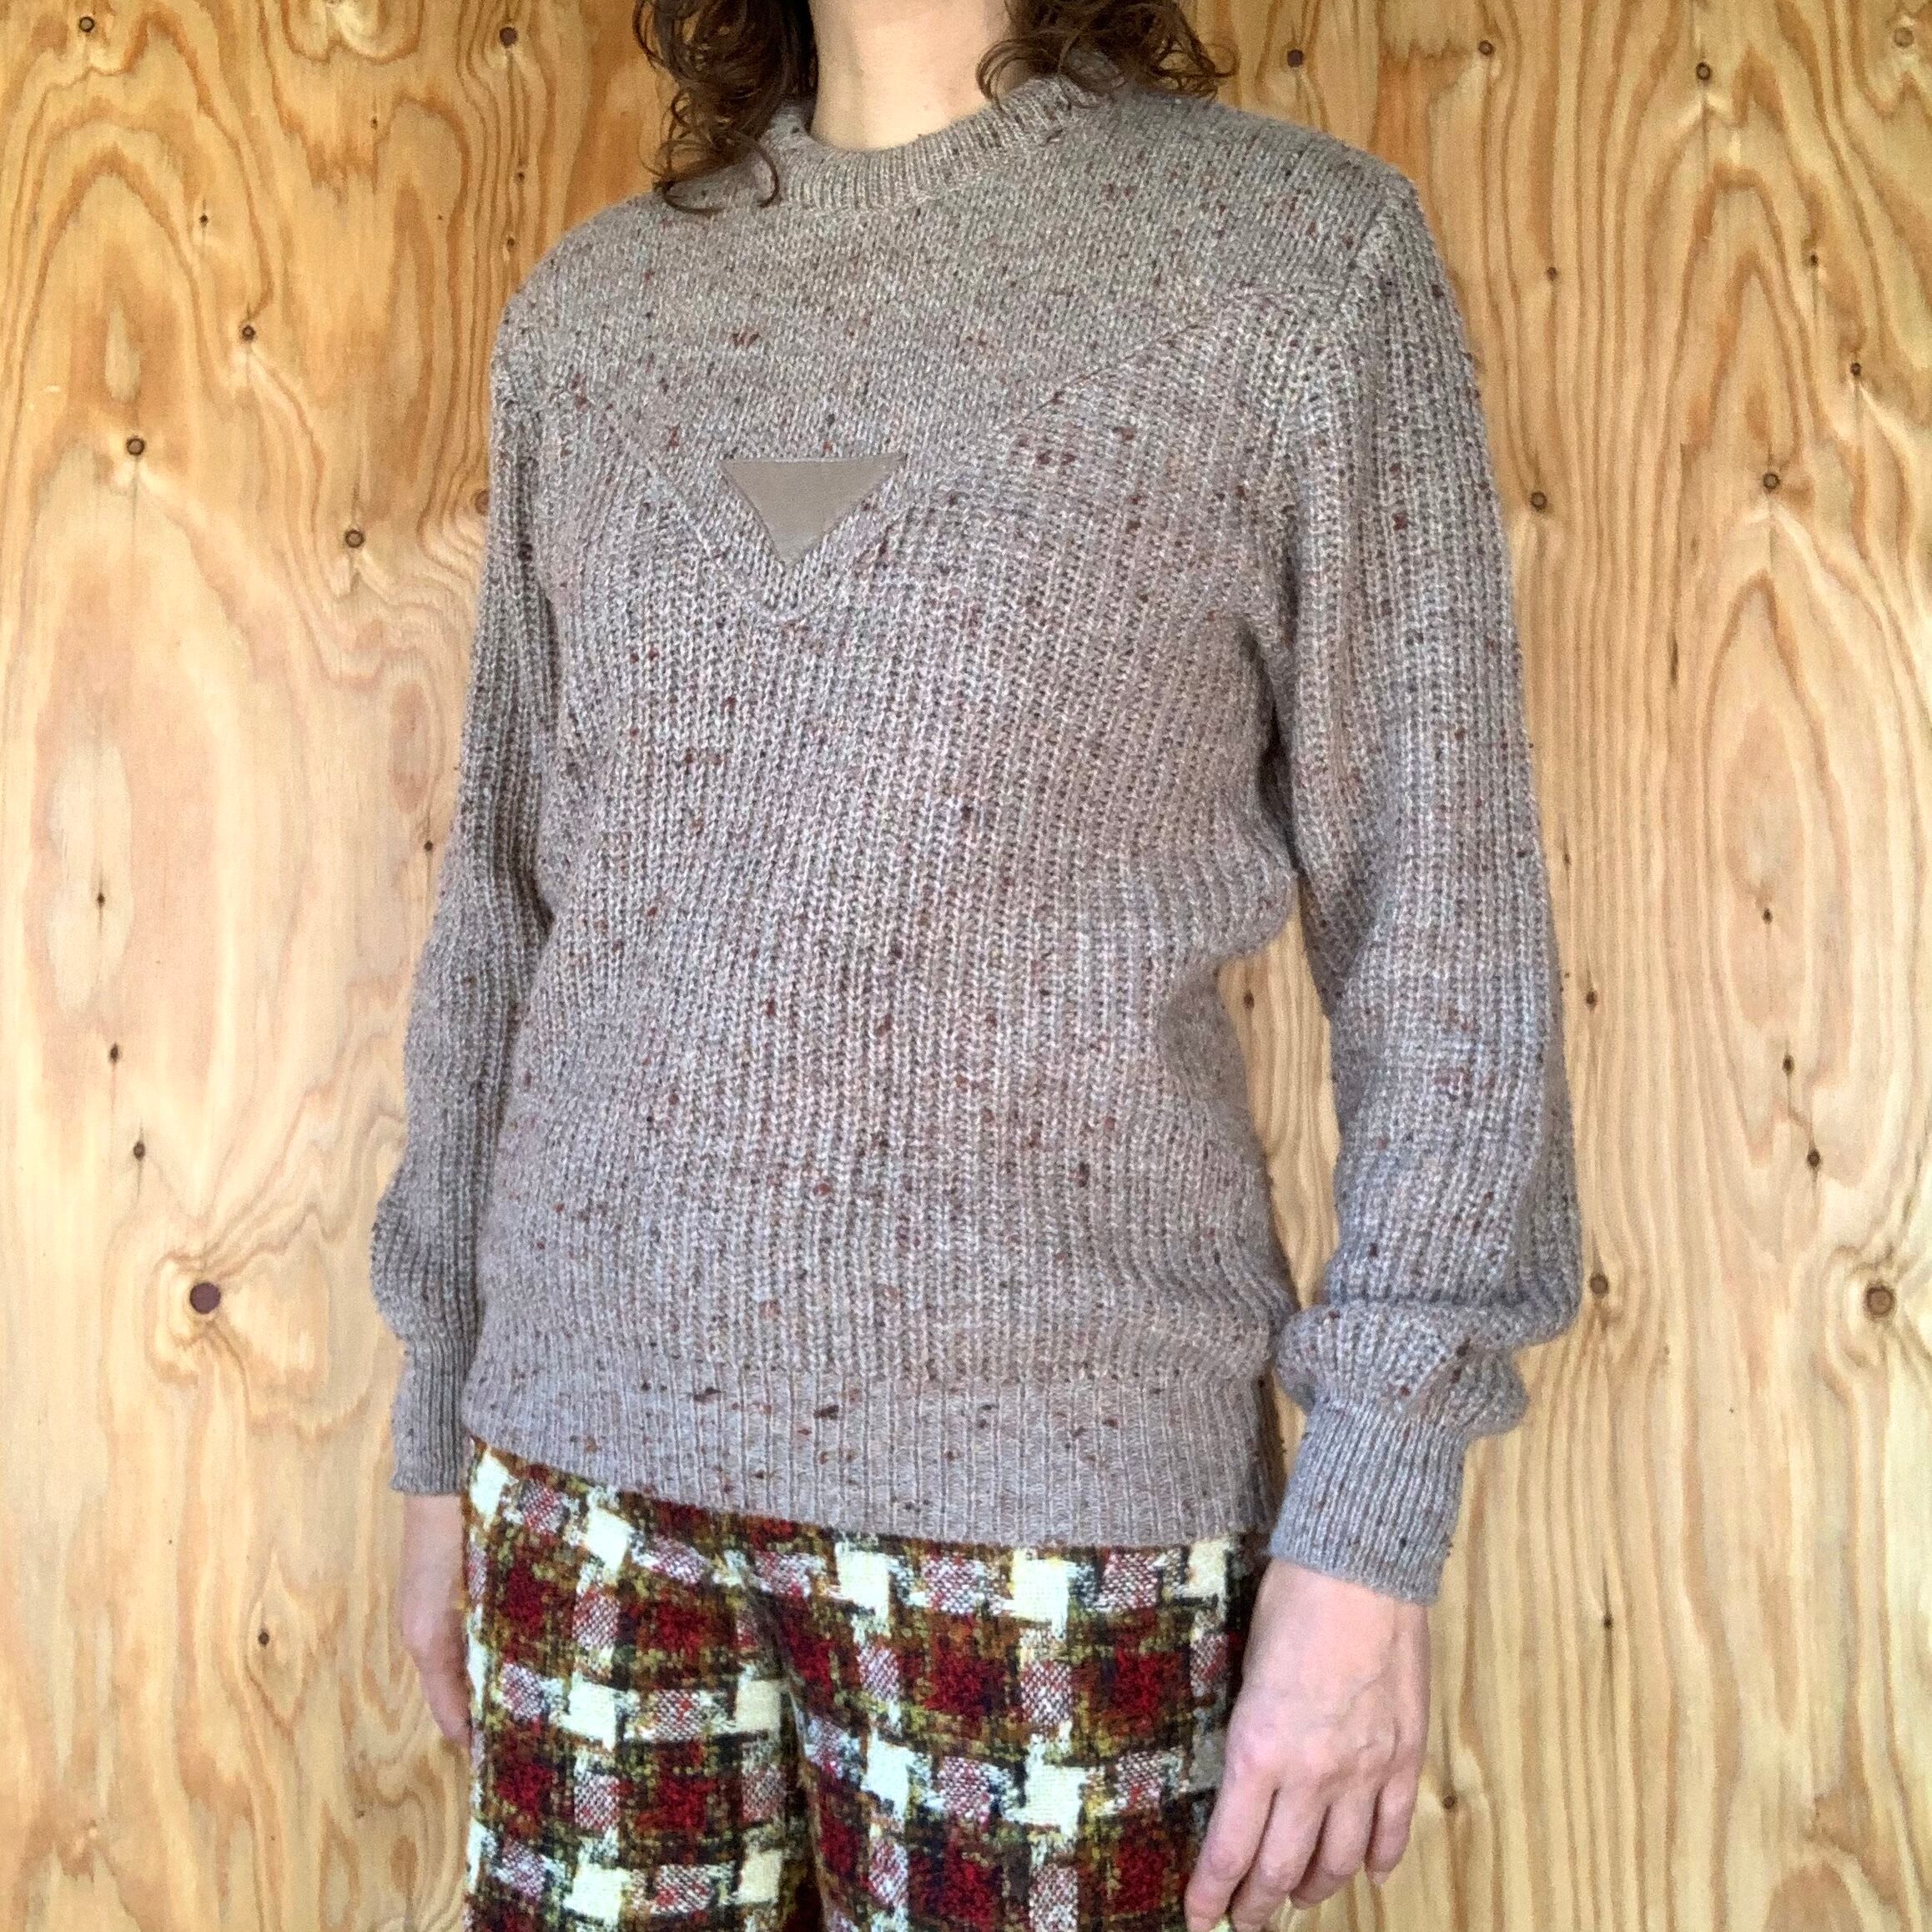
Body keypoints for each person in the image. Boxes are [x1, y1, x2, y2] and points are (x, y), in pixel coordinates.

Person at [368, 2, 1584, 1926]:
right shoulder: (594, 319)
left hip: (1055, 1523)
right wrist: (441, 1415)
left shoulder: (1297, 265)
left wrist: (1371, 1529)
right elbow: (507, 909)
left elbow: (1444, 938)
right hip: (581, 1484)